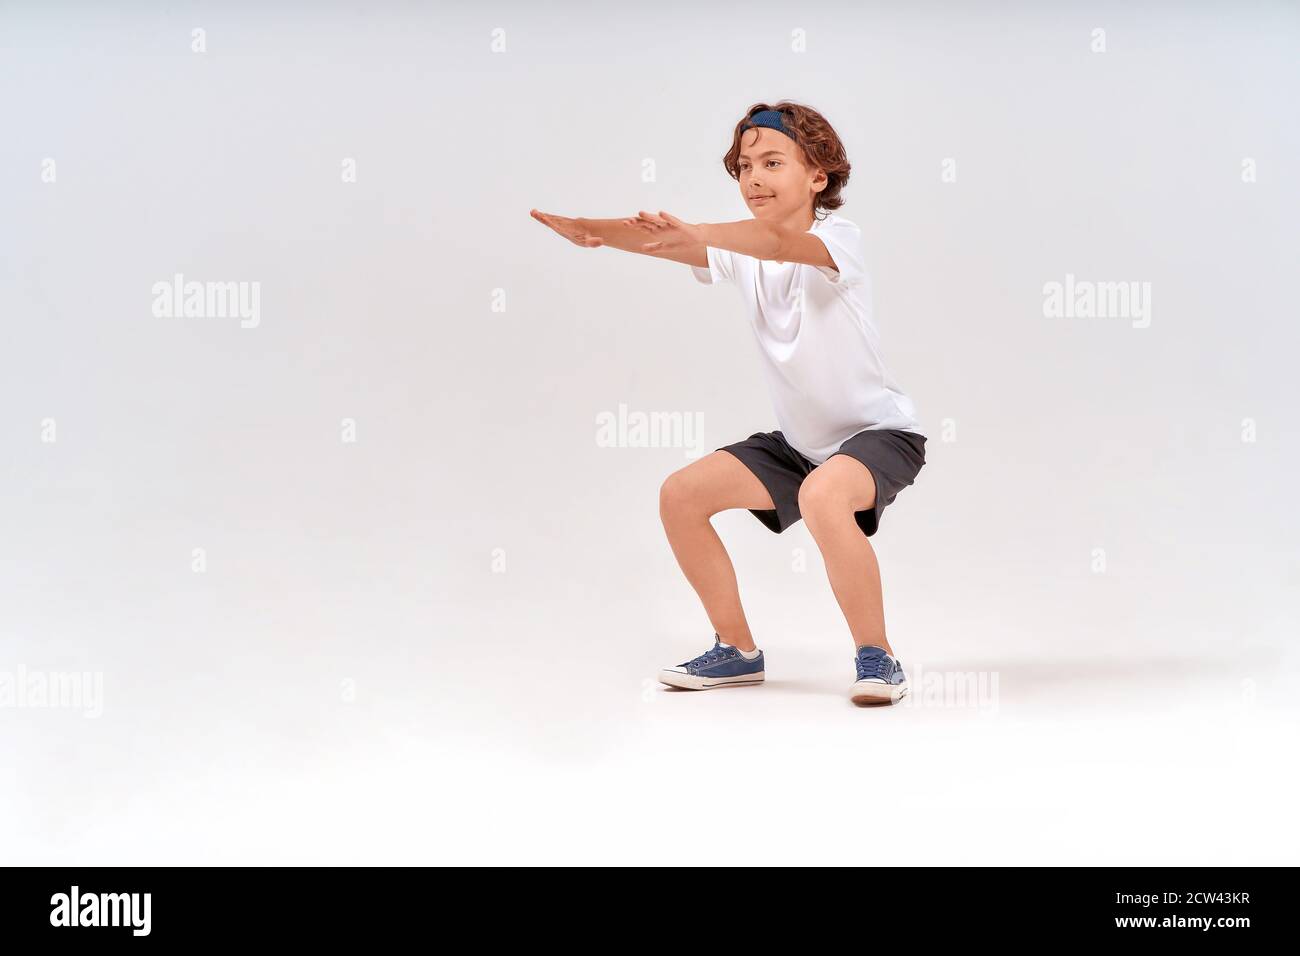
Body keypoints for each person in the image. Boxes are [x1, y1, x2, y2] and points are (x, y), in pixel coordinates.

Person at [530, 101, 926, 705]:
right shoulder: (742, 251)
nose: (754, 178)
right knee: (680, 495)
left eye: (772, 162)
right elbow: (662, 242)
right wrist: (593, 231)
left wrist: (699, 231)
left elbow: (773, 242)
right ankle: (736, 651)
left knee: (824, 497)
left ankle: (878, 657)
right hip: (800, 446)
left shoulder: (837, 239)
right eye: (744, 166)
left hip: (881, 435)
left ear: (818, 176)